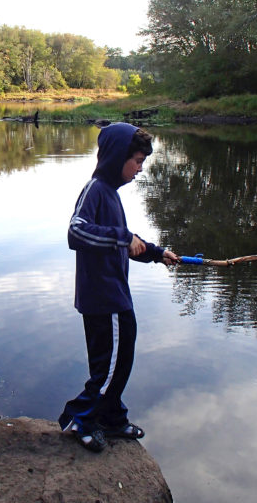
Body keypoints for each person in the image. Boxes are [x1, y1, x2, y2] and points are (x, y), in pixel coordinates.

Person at [58, 122, 180, 452]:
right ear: (117, 157)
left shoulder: (110, 194)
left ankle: (111, 417)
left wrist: (155, 253)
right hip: (102, 297)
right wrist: (124, 237)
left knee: (123, 359)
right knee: (108, 365)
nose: (140, 169)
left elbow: (122, 243)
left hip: (116, 294)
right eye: (137, 161)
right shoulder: (95, 189)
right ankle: (81, 419)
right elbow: (77, 233)